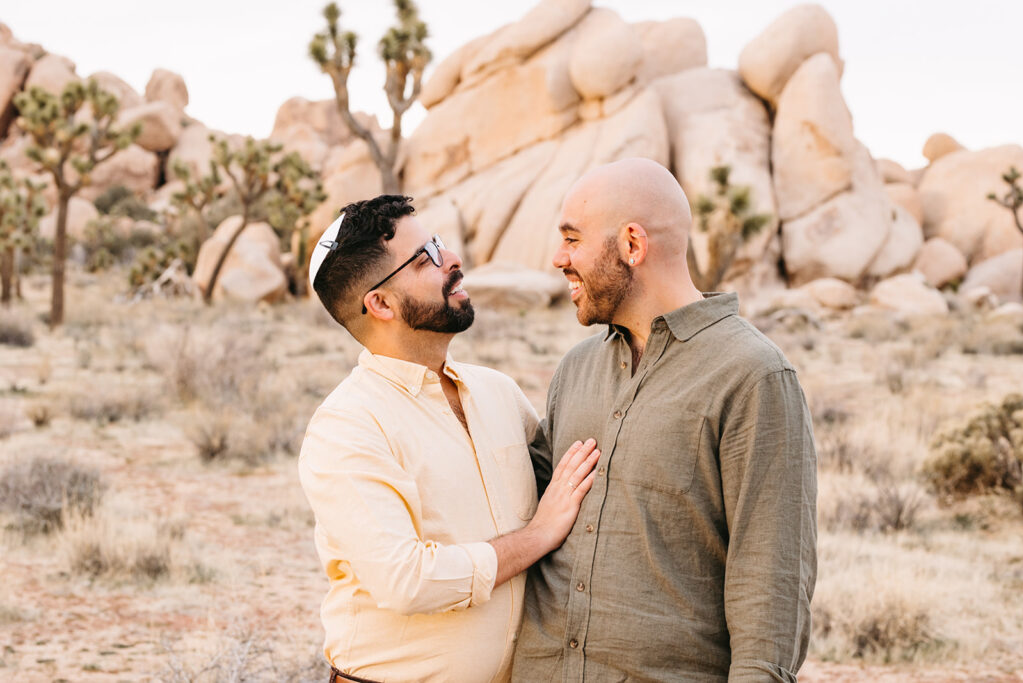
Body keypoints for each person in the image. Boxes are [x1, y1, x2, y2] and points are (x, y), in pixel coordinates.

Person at [511, 159, 818, 683]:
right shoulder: (576, 368)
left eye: (572, 238)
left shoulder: (753, 376)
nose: (560, 258)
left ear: (632, 244)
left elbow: (772, 584)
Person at [297, 194, 600, 683]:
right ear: (380, 304)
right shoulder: (347, 425)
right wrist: (538, 535)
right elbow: (407, 581)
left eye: (438, 244)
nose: (452, 260)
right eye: (426, 259)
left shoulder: (498, 392)